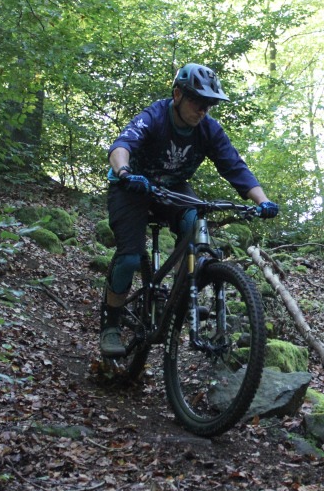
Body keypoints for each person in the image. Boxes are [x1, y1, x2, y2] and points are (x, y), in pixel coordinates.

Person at [100, 62, 279, 357]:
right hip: (132, 186)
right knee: (130, 257)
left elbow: (234, 166)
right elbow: (122, 145)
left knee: (195, 226)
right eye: (198, 101)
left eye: (209, 105)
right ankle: (111, 324)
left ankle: (181, 298)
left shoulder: (208, 129)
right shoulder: (155, 116)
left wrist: (263, 201)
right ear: (178, 95)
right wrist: (124, 172)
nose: (203, 110)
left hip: (172, 188)